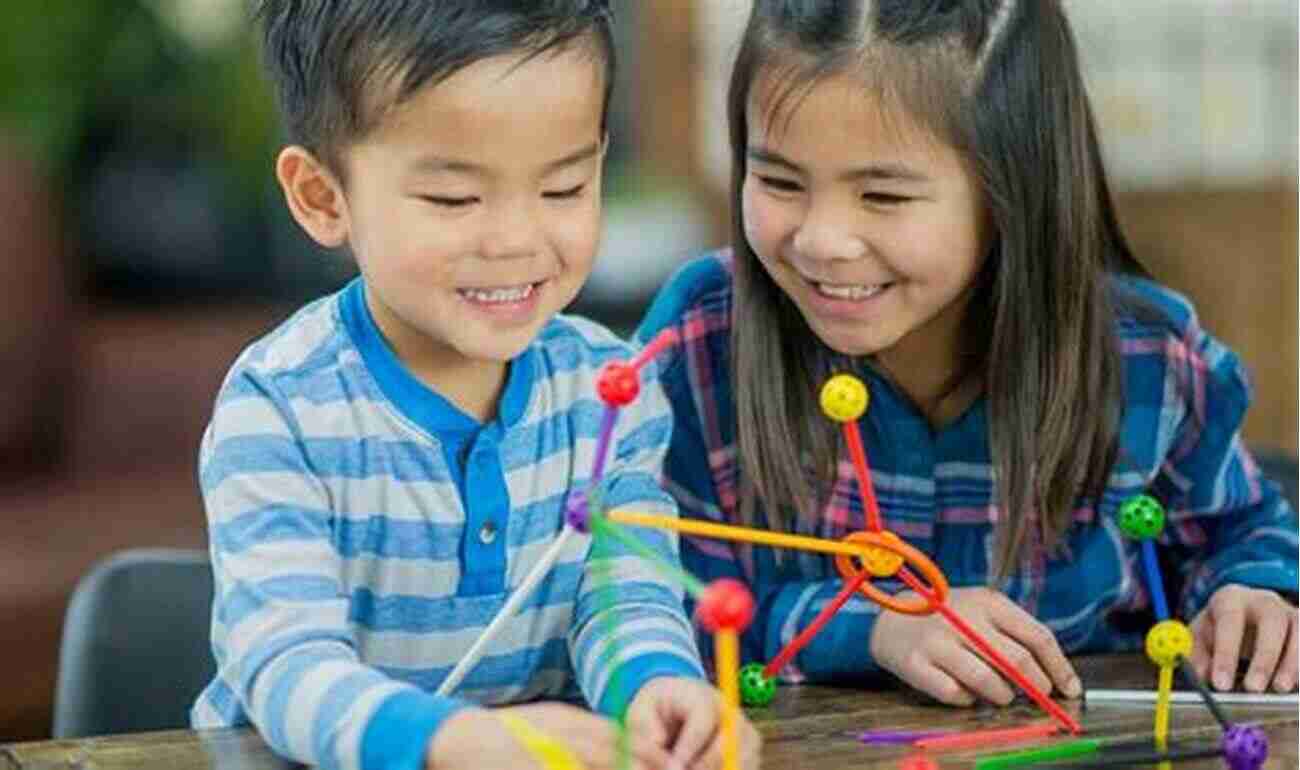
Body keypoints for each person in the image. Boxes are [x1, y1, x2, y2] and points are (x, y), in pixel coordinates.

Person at [637, 0, 1299, 711]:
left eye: (883, 195)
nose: (822, 239)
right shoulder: (702, 340)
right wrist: (875, 628)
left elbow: (1241, 532)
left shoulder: (1147, 356)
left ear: (1014, 192)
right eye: (779, 182)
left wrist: (1252, 593)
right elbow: (647, 596)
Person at [192, 3, 760, 770]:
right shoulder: (280, 408)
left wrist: (659, 686)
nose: (515, 241)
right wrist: (448, 741)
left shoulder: (611, 391)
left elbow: (623, 594)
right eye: (455, 200)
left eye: (563, 189)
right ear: (325, 198)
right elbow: (285, 665)